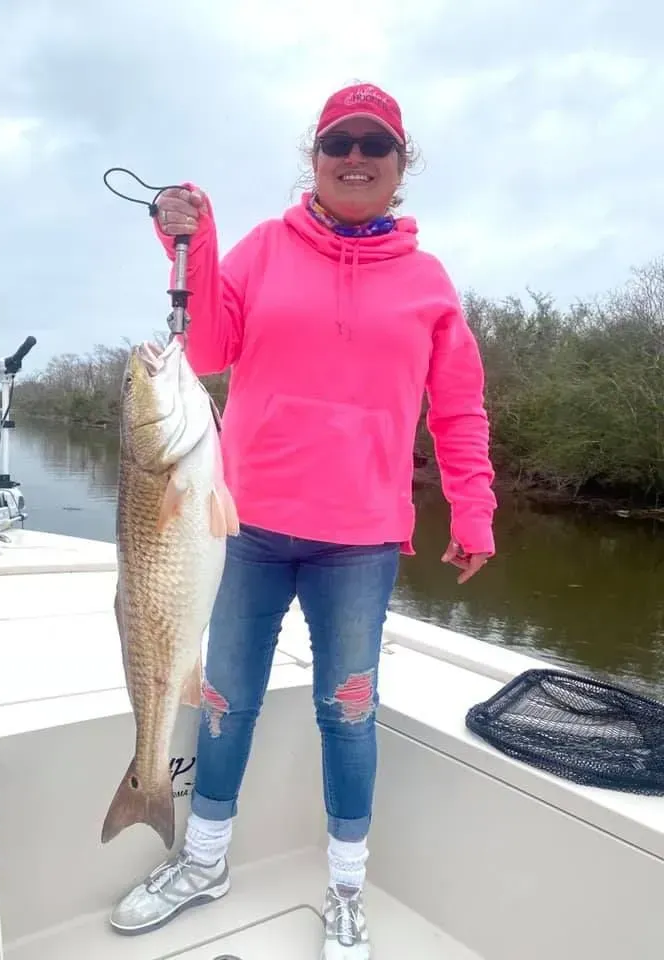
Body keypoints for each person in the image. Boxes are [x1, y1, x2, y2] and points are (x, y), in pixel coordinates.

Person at [109, 81, 496, 958]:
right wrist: (192, 241)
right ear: (314, 159)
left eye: (375, 145)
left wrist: (472, 506)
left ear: (401, 167)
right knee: (222, 698)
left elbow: (460, 410)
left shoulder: (429, 284)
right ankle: (202, 859)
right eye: (337, 143)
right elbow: (206, 348)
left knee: (348, 712)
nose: (354, 157)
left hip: (359, 539)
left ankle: (348, 889)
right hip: (238, 527)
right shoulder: (263, 249)